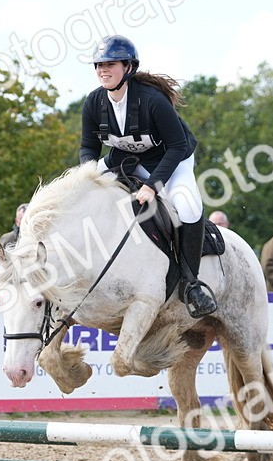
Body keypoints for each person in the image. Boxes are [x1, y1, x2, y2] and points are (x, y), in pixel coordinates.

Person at [78, 34, 216, 317]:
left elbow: (177, 146)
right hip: (124, 161)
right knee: (75, 195)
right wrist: (86, 180)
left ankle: (191, 283)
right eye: (98, 65)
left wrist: (154, 186)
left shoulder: (152, 100)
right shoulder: (93, 102)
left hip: (170, 162)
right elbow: (88, 148)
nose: (103, 70)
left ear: (128, 67)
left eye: (110, 64)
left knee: (189, 207)